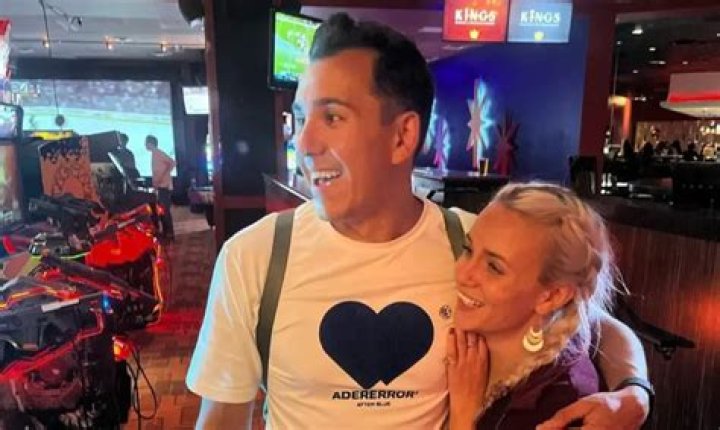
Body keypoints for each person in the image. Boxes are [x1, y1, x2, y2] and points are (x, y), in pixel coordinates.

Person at [186, 13, 651, 429]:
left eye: (332, 117)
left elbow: (586, 319)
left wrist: (634, 391)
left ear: (403, 135)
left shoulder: (470, 248)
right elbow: (222, 418)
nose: (304, 143)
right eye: (301, 117)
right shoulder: (256, 256)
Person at [447, 182, 619, 429]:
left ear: (552, 297)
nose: (463, 273)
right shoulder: (476, 351)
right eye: (468, 249)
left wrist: (463, 415)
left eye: (494, 267)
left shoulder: (560, 405)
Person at [145, 134, 175, 240]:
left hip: (164, 186)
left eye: (146, 143)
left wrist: (162, 177)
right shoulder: (155, 154)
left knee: (165, 211)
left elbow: (172, 163)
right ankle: (166, 232)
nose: (145, 145)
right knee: (161, 211)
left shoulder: (158, 153)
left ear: (150, 143)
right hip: (160, 187)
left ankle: (170, 233)